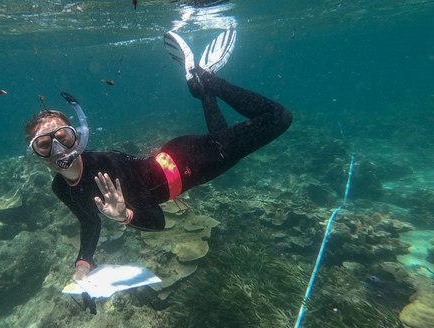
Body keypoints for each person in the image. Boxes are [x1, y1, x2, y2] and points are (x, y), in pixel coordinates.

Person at [25, 27, 292, 283]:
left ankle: (206, 78)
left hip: (192, 162)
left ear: (77, 136)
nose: (58, 149)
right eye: (45, 144)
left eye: (63, 137)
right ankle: (202, 87)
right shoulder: (60, 187)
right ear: (36, 153)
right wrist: (83, 264)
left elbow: (157, 220)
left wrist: (124, 216)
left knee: (278, 118)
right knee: (224, 142)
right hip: (183, 160)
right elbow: (89, 221)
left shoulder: (105, 167)